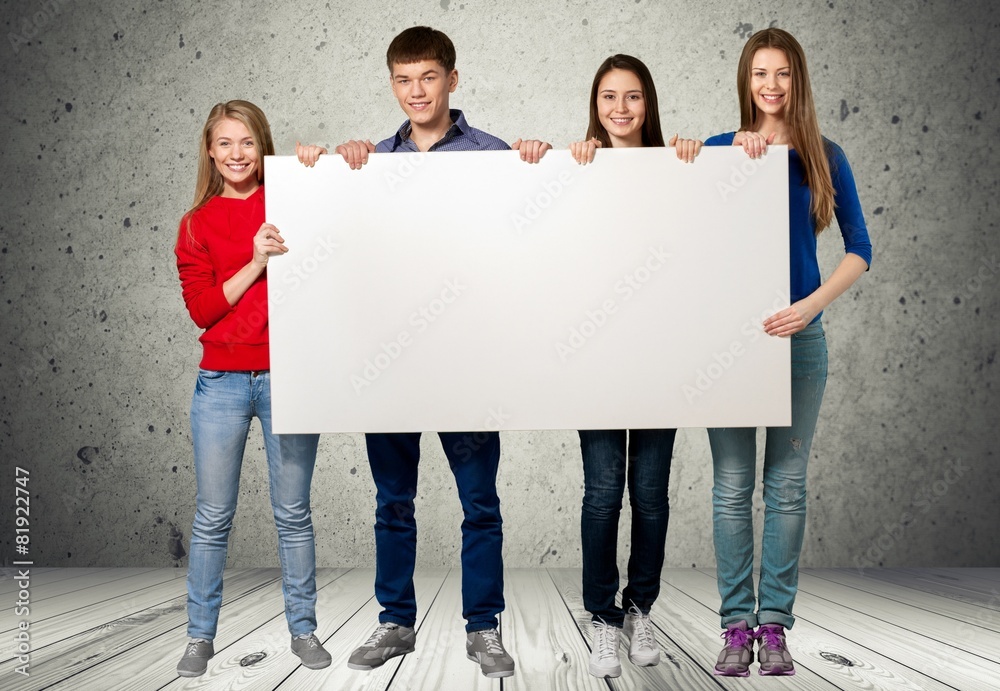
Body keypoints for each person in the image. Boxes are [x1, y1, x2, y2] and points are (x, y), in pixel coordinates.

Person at [296, 26, 549, 679]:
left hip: (467, 360)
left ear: (452, 80)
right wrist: (320, 169)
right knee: (392, 500)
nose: (417, 91)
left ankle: (483, 627)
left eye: (428, 78)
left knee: (480, 502)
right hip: (392, 359)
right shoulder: (370, 160)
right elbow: (341, 244)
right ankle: (395, 622)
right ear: (392, 84)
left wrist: (539, 163)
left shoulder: (495, 155)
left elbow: (530, 245)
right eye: (404, 80)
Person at [705, 28, 872, 677]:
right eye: (759, 75)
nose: (771, 86)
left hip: (800, 339)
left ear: (797, 81)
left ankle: (774, 627)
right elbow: (678, 222)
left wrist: (812, 304)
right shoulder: (724, 150)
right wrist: (719, 162)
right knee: (731, 487)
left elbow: (860, 248)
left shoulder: (824, 154)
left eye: (782, 75)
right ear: (746, 83)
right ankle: (734, 626)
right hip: (730, 345)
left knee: (787, 486)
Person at [174, 100, 331, 677]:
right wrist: (257, 260)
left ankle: (305, 631)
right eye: (225, 144)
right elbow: (204, 310)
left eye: (247, 143)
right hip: (220, 383)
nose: (237, 155)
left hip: (290, 377)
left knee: (293, 513)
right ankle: (199, 638)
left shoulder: (289, 200)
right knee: (213, 516)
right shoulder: (196, 223)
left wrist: (316, 164)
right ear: (210, 152)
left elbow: (337, 224)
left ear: (261, 147)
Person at [566, 54, 699, 680]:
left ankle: (640, 607)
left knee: (650, 496)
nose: (620, 109)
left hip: (658, 355)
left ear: (649, 103)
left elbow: (699, 245)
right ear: (594, 105)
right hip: (596, 358)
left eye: (633, 97)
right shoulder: (575, 170)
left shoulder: (677, 166)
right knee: (601, 496)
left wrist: (699, 161)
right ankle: (602, 620)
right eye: (608, 97)